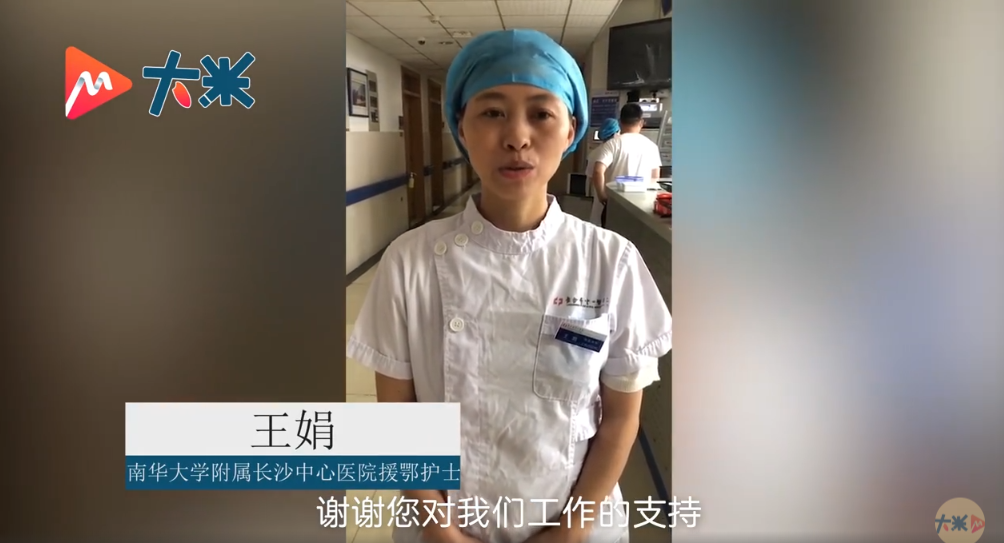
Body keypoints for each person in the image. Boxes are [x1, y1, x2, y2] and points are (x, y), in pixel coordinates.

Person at [347, 28, 672, 543]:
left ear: (571, 131)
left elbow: (619, 420)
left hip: (576, 526)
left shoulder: (612, 262)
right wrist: (441, 531)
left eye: (541, 114)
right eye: (493, 112)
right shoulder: (410, 261)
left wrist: (570, 532)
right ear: (462, 127)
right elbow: (398, 414)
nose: (517, 137)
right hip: (440, 526)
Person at [590, 104, 663, 227]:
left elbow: (598, 171)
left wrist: (602, 195)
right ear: (641, 122)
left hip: (613, 204)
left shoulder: (612, 144)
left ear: (620, 122)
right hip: (640, 207)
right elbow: (655, 177)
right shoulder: (651, 147)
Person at [587, 118, 621, 226]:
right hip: (613, 199)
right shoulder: (617, 149)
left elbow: (590, 178)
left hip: (598, 198)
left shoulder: (593, 153)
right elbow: (597, 172)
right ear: (616, 133)